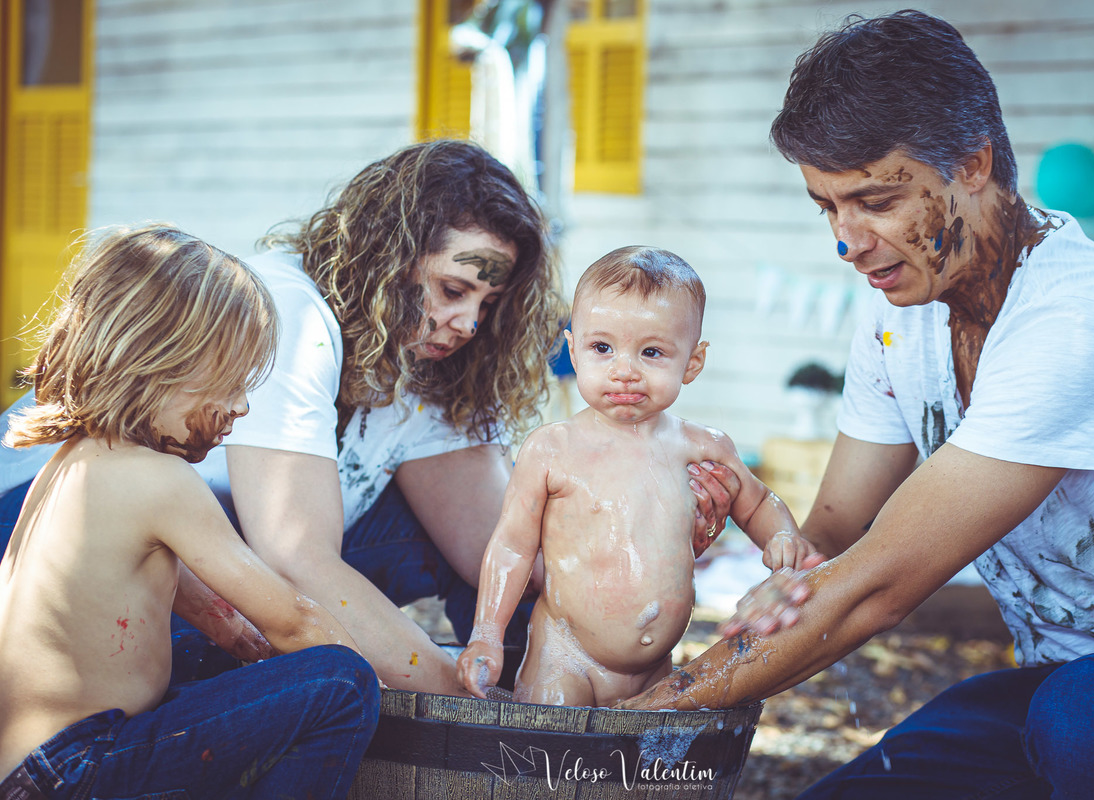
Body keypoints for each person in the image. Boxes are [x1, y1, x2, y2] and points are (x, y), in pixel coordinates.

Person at [619, 10, 1094, 800]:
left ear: (972, 163)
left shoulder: (1078, 321)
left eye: (876, 201)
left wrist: (653, 718)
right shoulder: (899, 305)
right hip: (1064, 686)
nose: (847, 242)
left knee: (1089, 722)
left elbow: (880, 587)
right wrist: (750, 535)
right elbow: (837, 539)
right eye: (828, 207)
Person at [0, 139, 739, 693]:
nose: (468, 323)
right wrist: (452, 698)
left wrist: (638, 537)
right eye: (452, 289)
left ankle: (553, 704)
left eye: (488, 304)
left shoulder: (431, 364)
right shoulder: (290, 311)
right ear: (389, 259)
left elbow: (509, 545)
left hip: (213, 563)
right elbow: (295, 555)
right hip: (45, 538)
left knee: (497, 544)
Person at [0, 225, 380, 799]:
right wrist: (383, 690)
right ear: (160, 360)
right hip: (79, 769)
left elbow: (220, 618)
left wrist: (251, 654)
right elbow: (294, 622)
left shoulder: (73, 464)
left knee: (220, 660)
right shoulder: (161, 479)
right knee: (342, 683)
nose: (243, 405)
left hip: (33, 771)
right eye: (231, 379)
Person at [457, 247, 824, 706]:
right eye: (602, 348)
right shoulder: (552, 449)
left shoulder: (703, 446)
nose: (625, 371)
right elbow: (512, 545)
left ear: (692, 363)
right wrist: (487, 632)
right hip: (565, 656)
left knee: (639, 773)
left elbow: (758, 500)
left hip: (657, 667)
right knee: (553, 761)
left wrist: (784, 538)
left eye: (651, 352)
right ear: (573, 349)